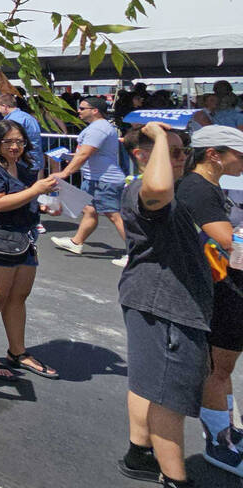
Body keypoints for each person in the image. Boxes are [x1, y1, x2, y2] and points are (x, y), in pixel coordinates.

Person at [116, 122, 205, 487]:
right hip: (165, 303)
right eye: (173, 152)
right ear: (142, 155)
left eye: (184, 150)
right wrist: (154, 133)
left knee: (148, 382)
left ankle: (139, 452)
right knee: (171, 398)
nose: (182, 158)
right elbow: (158, 187)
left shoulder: (173, 189)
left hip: (158, 299)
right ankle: (174, 477)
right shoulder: (144, 189)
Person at [0, 119, 62, 381]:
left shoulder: (21, 167)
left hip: (24, 235)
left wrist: (42, 205)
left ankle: (17, 352)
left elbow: (23, 198)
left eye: (19, 141)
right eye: (8, 141)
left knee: (19, 295)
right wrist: (35, 190)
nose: (14, 146)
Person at [179, 126, 243, 477]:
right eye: (239, 154)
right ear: (214, 155)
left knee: (222, 368)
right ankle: (219, 441)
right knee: (217, 370)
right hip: (218, 289)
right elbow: (231, 245)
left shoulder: (208, 186)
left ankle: (227, 430)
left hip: (222, 287)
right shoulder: (198, 189)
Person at [52, 96, 129, 267]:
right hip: (95, 179)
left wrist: (65, 172)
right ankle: (76, 242)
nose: (78, 111)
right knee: (89, 211)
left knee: (114, 216)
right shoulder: (96, 128)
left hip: (105, 180)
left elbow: (85, 153)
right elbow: (88, 152)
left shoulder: (98, 129)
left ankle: (135, 253)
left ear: (95, 110)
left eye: (82, 108)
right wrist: (71, 158)